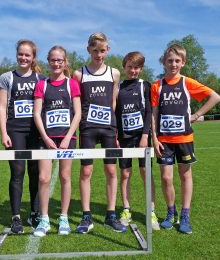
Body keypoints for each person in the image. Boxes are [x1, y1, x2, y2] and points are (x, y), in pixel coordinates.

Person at [151, 44, 220, 234]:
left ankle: (185, 215)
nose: (173, 64)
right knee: (166, 178)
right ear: (164, 62)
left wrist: (196, 115)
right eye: (169, 61)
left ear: (183, 62)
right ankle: (170, 212)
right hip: (164, 140)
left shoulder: (187, 82)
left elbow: (215, 97)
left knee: (185, 176)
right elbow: (154, 114)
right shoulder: (157, 85)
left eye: (177, 61)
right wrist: (154, 138)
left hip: (184, 139)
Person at [73, 32, 126, 233]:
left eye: (102, 50)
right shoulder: (79, 74)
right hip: (88, 128)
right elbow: (76, 102)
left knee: (111, 170)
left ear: (108, 50)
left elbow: (113, 103)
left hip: (108, 128)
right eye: (95, 50)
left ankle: (110, 214)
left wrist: (115, 130)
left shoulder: (114, 73)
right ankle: (86, 216)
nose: (99, 54)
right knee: (86, 171)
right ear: (88, 50)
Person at [0, 39, 45, 234]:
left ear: (33, 57)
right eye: (21, 54)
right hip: (14, 131)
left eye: (27, 55)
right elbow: (1, 107)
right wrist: (3, 132)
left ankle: (34, 213)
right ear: (17, 55)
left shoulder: (41, 79)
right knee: (17, 173)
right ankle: (15, 217)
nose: (23, 57)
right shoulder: (6, 77)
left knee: (35, 173)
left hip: (35, 132)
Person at [33, 46, 81, 237]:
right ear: (48, 61)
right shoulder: (42, 84)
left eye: (60, 60)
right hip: (46, 138)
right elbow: (37, 113)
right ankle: (44, 219)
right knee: (43, 178)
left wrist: (68, 137)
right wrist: (45, 137)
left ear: (65, 62)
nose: (56, 63)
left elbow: (77, 113)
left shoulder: (72, 84)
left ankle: (63, 217)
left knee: (65, 177)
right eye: (53, 60)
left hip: (67, 138)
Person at [115, 51, 160, 230]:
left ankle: (151, 211)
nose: (133, 71)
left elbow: (149, 112)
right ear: (124, 66)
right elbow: (116, 113)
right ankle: (126, 209)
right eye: (130, 67)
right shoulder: (118, 86)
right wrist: (117, 135)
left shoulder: (144, 85)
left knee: (145, 172)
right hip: (124, 137)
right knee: (125, 173)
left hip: (141, 137)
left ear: (141, 69)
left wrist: (145, 135)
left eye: (136, 67)